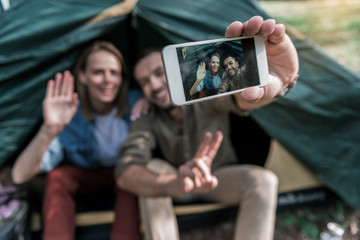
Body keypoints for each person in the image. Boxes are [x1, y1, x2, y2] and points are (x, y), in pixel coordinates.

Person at [115, 16, 299, 240]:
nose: (153, 85)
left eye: (158, 73)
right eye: (144, 82)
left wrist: (280, 83)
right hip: (176, 182)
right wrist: (174, 183)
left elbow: (240, 100)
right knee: (151, 169)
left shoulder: (204, 94)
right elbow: (126, 172)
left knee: (263, 181)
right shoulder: (145, 114)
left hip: (217, 178)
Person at [11, 41, 146, 240]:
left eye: (114, 73)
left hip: (124, 176)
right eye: (98, 72)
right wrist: (49, 129)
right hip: (89, 175)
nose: (107, 79)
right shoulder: (70, 114)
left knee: (131, 179)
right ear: (82, 76)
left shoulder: (136, 101)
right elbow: (19, 175)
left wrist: (148, 100)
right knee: (58, 177)